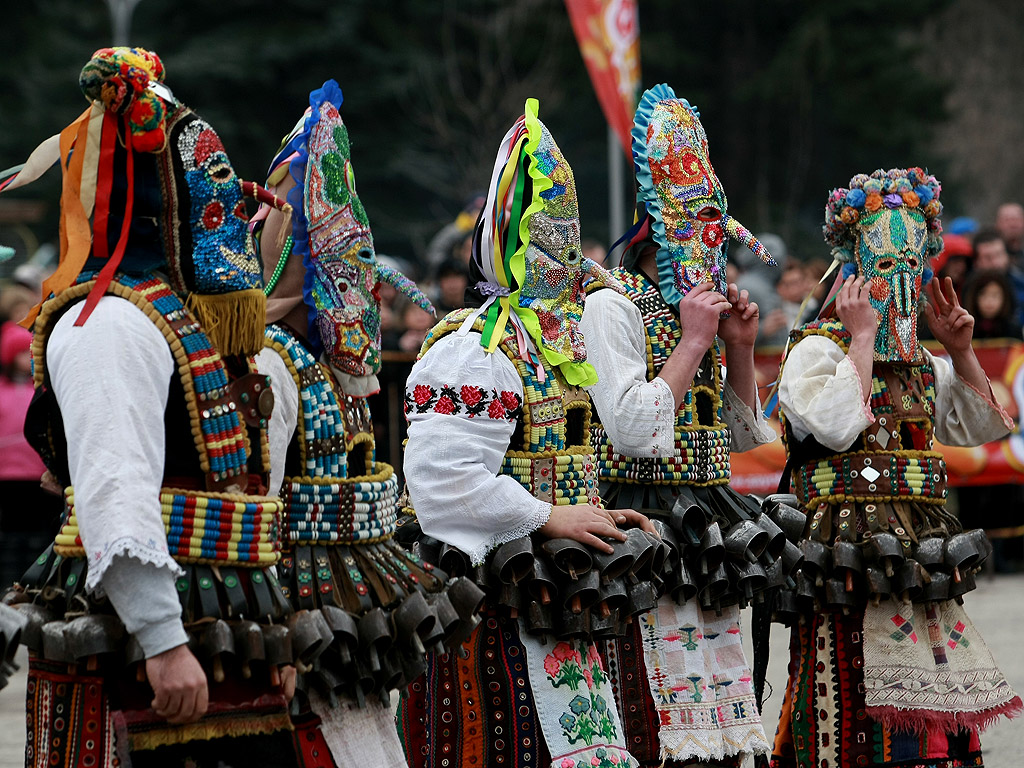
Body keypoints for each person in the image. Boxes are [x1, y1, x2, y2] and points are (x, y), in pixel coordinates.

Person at [4, 47, 301, 767]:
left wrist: (278, 627)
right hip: (146, 638)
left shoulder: (190, 322)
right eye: (211, 190)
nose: (228, 210)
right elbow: (114, 486)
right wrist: (163, 639)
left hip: (232, 626)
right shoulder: (106, 322)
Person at [398, 98, 652, 768]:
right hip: (495, 601)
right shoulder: (473, 347)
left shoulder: (557, 348)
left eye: (568, 237)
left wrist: (588, 514)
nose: (563, 258)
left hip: (562, 597)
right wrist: (547, 516)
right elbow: (442, 482)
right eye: (547, 238)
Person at [770, 168, 1021, 767]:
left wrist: (959, 350)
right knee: (846, 693)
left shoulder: (922, 363)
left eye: (911, 268)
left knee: (934, 702)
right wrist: (860, 339)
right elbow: (833, 425)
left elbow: (988, 425)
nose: (899, 283)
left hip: (918, 553)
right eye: (885, 269)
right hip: (844, 556)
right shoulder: (816, 347)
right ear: (854, 269)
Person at [251, 80, 468, 767]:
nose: (360, 292)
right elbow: (249, 511)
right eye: (337, 268)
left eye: (360, 268)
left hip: (358, 630)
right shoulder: (267, 368)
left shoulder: (335, 377)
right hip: (301, 631)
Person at [581, 84, 781, 767]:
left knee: (726, 712)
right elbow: (632, 428)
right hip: (641, 520)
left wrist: (737, 348)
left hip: (709, 517)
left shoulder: (693, 308)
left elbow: (746, 434)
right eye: (693, 220)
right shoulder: (614, 304)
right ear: (659, 224)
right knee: (655, 712)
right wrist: (693, 343)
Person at [0, 321, 62, 589]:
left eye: (30, 353)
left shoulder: (41, 390)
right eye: (20, 353)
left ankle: (33, 581)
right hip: (7, 478)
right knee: (10, 534)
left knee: (39, 533)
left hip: (36, 475)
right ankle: (7, 581)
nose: (26, 359)